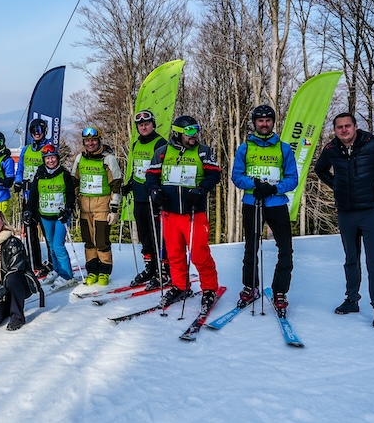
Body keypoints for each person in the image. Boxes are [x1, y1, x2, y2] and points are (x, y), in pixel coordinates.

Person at [314, 112, 374, 329]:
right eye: (339, 127)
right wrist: (337, 186)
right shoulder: (331, 150)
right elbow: (319, 170)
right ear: (335, 130)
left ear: (355, 126)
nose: (344, 130)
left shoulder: (373, 145)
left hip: (370, 211)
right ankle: (351, 300)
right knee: (350, 258)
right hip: (346, 212)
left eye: (347, 126)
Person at [145, 115, 221, 312]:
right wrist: (154, 191)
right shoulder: (162, 152)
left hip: (194, 213)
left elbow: (214, 174)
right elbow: (151, 176)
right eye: (189, 131)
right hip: (170, 214)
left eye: (196, 130)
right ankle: (180, 286)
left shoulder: (203, 151)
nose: (193, 135)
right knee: (175, 254)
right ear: (178, 133)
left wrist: (201, 189)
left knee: (199, 254)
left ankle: (209, 289)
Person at [230, 105, 299, 316]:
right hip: (253, 203)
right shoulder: (245, 148)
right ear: (254, 123)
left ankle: (280, 291)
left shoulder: (283, 148)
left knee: (285, 249)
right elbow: (236, 176)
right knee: (251, 248)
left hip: (276, 204)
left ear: (273, 122)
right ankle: (250, 286)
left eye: (268, 120)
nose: (264, 124)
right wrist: (255, 185)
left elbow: (293, 178)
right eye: (260, 121)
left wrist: (274, 188)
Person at [122, 109, 168, 288]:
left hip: (154, 196)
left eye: (147, 123)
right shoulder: (136, 144)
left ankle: (164, 270)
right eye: (140, 124)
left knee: (158, 235)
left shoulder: (161, 143)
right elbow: (136, 167)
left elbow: (162, 170)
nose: (144, 126)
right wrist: (130, 184)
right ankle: (150, 268)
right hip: (139, 195)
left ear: (153, 124)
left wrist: (158, 190)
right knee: (144, 235)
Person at [71, 126, 123, 285]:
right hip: (85, 208)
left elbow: (116, 184)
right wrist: (72, 205)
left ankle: (105, 270)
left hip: (102, 206)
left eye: (93, 140)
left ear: (99, 140)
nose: (90, 143)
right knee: (88, 241)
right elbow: (74, 182)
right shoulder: (80, 158)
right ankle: (92, 270)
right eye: (87, 141)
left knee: (101, 240)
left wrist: (114, 208)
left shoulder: (108, 158)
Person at [0, 208, 43, 331]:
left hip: (17, 285)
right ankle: (6, 306)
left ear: (2, 221)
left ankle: (17, 317)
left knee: (12, 278)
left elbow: (15, 269)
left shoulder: (13, 242)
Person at [28, 144, 78, 291]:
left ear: (57, 158)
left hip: (60, 216)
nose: (50, 161)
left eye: (52, 157)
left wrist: (68, 209)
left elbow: (70, 194)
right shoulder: (39, 175)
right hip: (45, 215)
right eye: (47, 158)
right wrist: (29, 210)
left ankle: (67, 275)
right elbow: (33, 196)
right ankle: (56, 270)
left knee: (58, 245)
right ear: (44, 160)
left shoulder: (64, 174)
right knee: (50, 245)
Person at [14, 118, 52, 275]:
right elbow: (21, 168)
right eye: (33, 130)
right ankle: (34, 262)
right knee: (29, 229)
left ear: (44, 131)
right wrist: (17, 181)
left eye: (39, 130)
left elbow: (52, 166)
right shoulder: (26, 149)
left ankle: (52, 261)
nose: (36, 133)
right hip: (27, 195)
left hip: (43, 196)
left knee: (47, 230)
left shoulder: (48, 148)